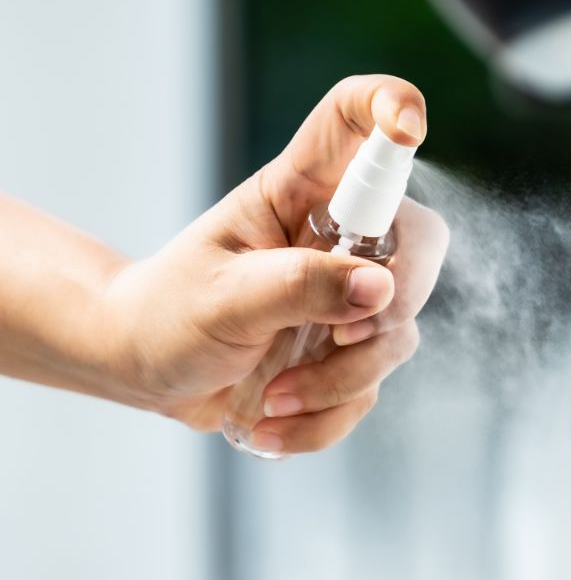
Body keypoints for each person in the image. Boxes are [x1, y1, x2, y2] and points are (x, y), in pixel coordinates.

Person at [0, 74, 449, 455]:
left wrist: (123, 331)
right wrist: (121, 333)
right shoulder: (321, 226)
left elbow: (133, 338)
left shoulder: (326, 230)